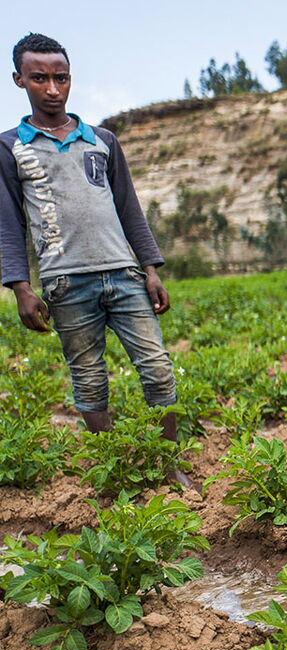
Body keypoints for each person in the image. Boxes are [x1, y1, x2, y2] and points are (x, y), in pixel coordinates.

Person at [1, 34, 182, 448]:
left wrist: (150, 269)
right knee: (88, 377)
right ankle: (115, 459)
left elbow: (129, 209)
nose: (52, 89)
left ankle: (169, 459)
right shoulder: (10, 147)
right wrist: (20, 287)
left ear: (70, 79)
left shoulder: (102, 140)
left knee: (157, 367)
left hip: (124, 274)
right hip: (66, 283)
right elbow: (9, 223)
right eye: (39, 78)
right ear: (19, 80)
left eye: (60, 78)